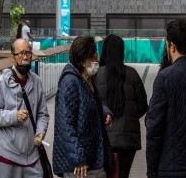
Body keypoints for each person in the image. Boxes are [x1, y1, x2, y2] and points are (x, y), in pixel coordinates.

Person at [0, 37, 50, 178]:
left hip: (33, 156)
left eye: (28, 53)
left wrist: (40, 131)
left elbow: (42, 114)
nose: (25, 57)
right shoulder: (3, 81)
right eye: (21, 53)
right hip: (8, 156)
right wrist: (13, 116)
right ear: (13, 58)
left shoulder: (37, 81)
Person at [54, 35, 115, 178]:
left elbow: (93, 103)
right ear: (81, 60)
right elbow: (65, 125)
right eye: (93, 56)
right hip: (79, 166)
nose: (97, 59)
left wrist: (106, 113)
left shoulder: (88, 79)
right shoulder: (70, 83)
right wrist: (78, 158)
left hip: (94, 157)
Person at [96, 35, 148, 178]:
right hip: (127, 140)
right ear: (121, 51)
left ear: (104, 50)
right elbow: (143, 105)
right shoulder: (132, 74)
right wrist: (129, 115)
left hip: (103, 140)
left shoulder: (96, 75)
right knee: (123, 174)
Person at [146, 18, 186, 178]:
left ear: (172, 46)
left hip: (171, 167)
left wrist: (152, 170)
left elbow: (154, 129)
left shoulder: (164, 77)